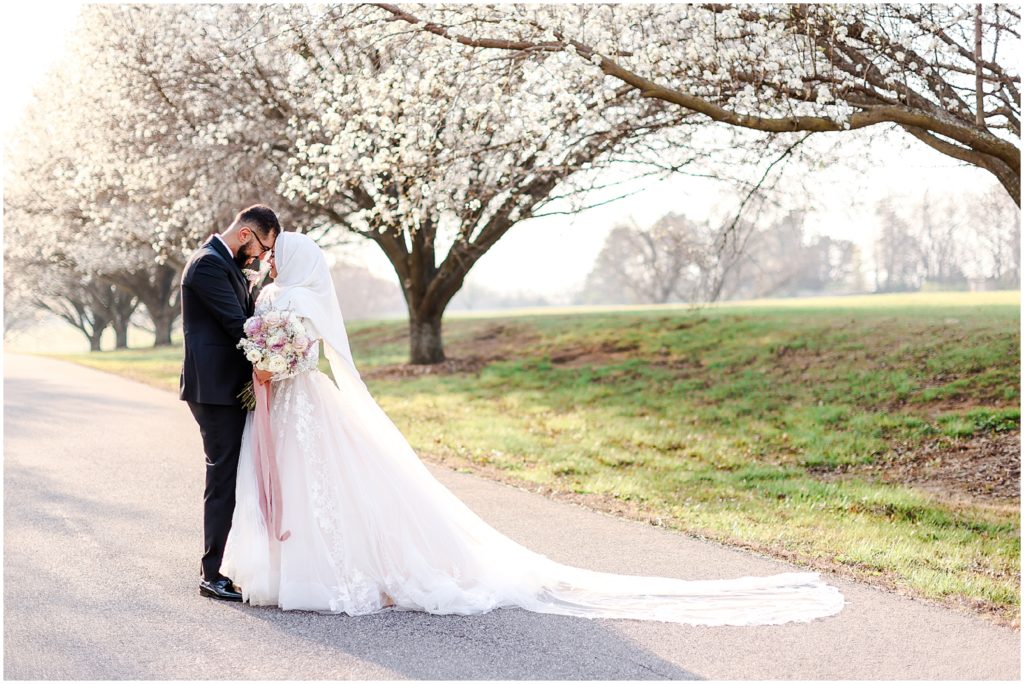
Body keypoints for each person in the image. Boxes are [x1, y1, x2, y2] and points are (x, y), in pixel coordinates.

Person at [220, 231, 845, 625]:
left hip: (301, 404)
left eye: (279, 255)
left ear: (297, 261)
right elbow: (280, 347)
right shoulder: (281, 301)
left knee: (325, 485)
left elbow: (297, 351)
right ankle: (295, 570)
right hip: (288, 404)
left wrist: (275, 358)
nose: (272, 261)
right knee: (313, 486)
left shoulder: (294, 304)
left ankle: (314, 574)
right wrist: (269, 361)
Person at [179, 204, 281, 601]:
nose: (258, 256)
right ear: (245, 234)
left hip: (227, 387)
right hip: (215, 390)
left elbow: (241, 310)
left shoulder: (224, 263)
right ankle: (211, 573)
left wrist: (261, 288)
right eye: (259, 247)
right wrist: (278, 349)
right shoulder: (206, 264)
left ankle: (225, 561)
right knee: (222, 478)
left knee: (232, 476)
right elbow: (237, 324)